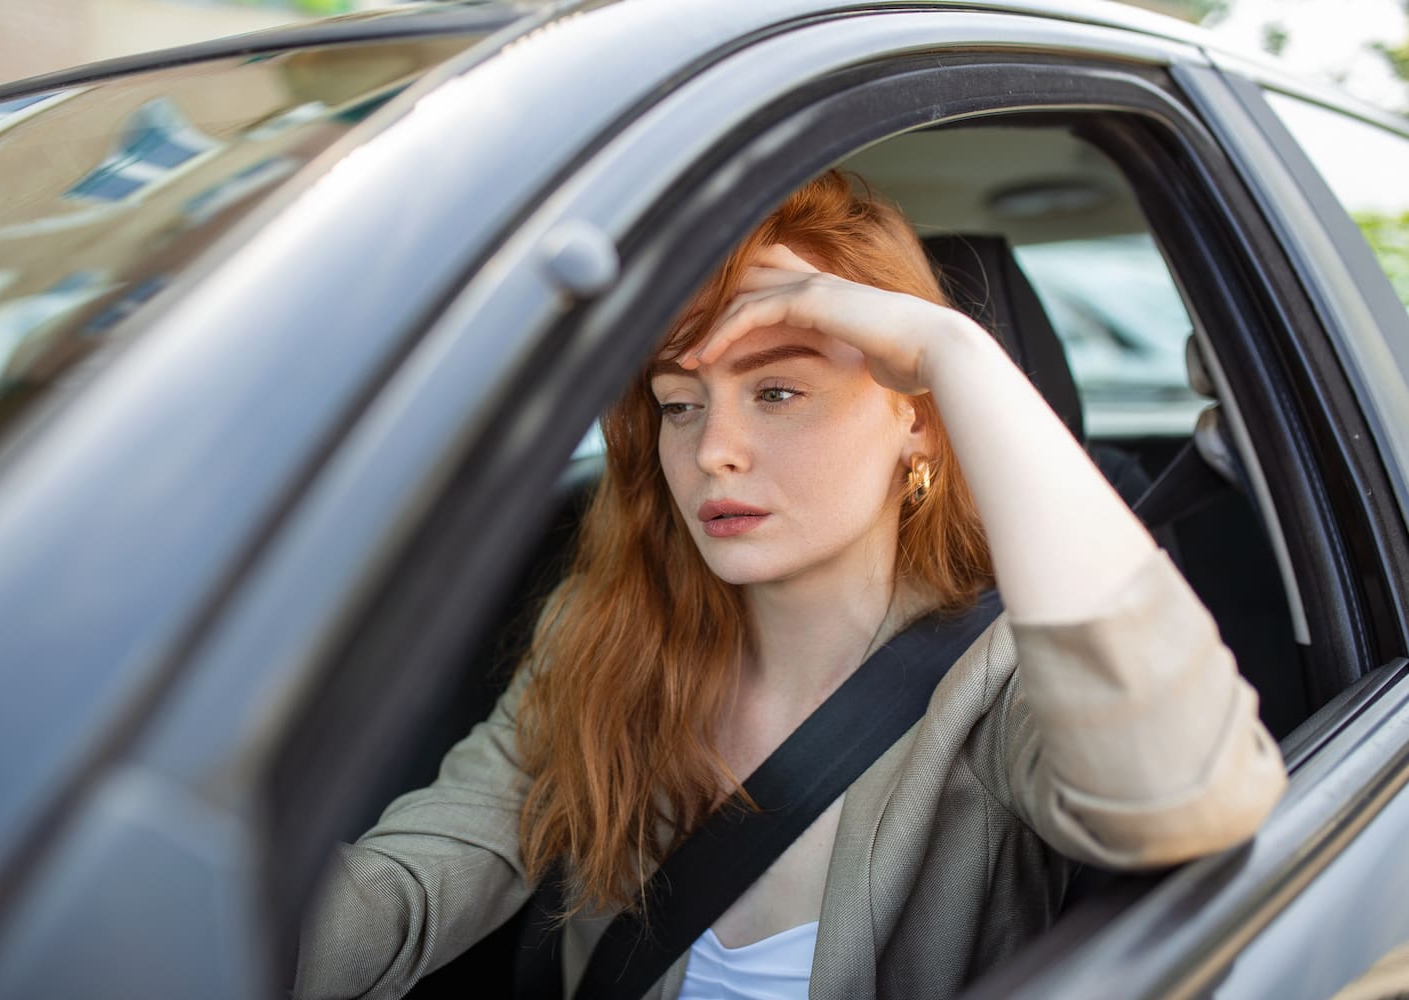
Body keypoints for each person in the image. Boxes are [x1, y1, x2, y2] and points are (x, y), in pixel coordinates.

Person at [294, 170, 1287, 1000]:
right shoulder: (606, 637)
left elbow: (1182, 798)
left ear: (918, 422)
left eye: (778, 389)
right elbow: (394, 899)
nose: (713, 451)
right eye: (678, 403)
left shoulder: (1003, 680)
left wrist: (956, 352)